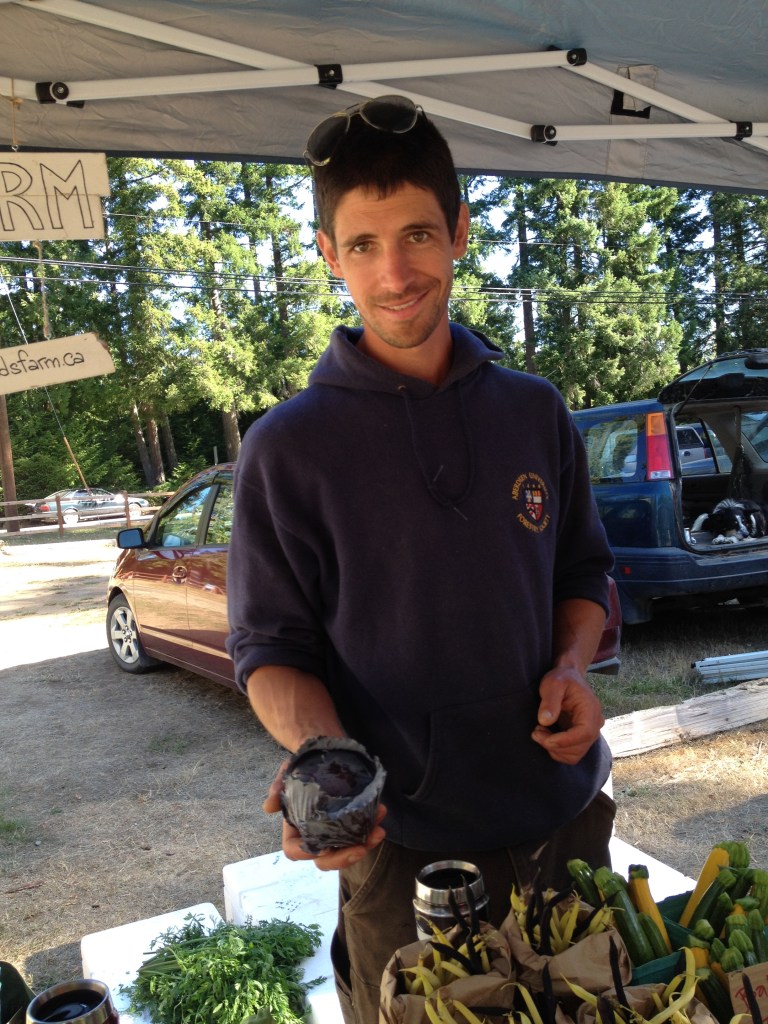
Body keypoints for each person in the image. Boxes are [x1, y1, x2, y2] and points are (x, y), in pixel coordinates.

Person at [226, 94, 616, 1024]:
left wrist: (572, 665)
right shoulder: (288, 448)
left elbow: (582, 574)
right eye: (363, 245)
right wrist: (324, 763)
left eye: (417, 236)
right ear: (328, 254)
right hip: (404, 855)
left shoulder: (534, 411)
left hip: (565, 824)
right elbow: (269, 651)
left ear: (460, 234)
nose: (395, 273)